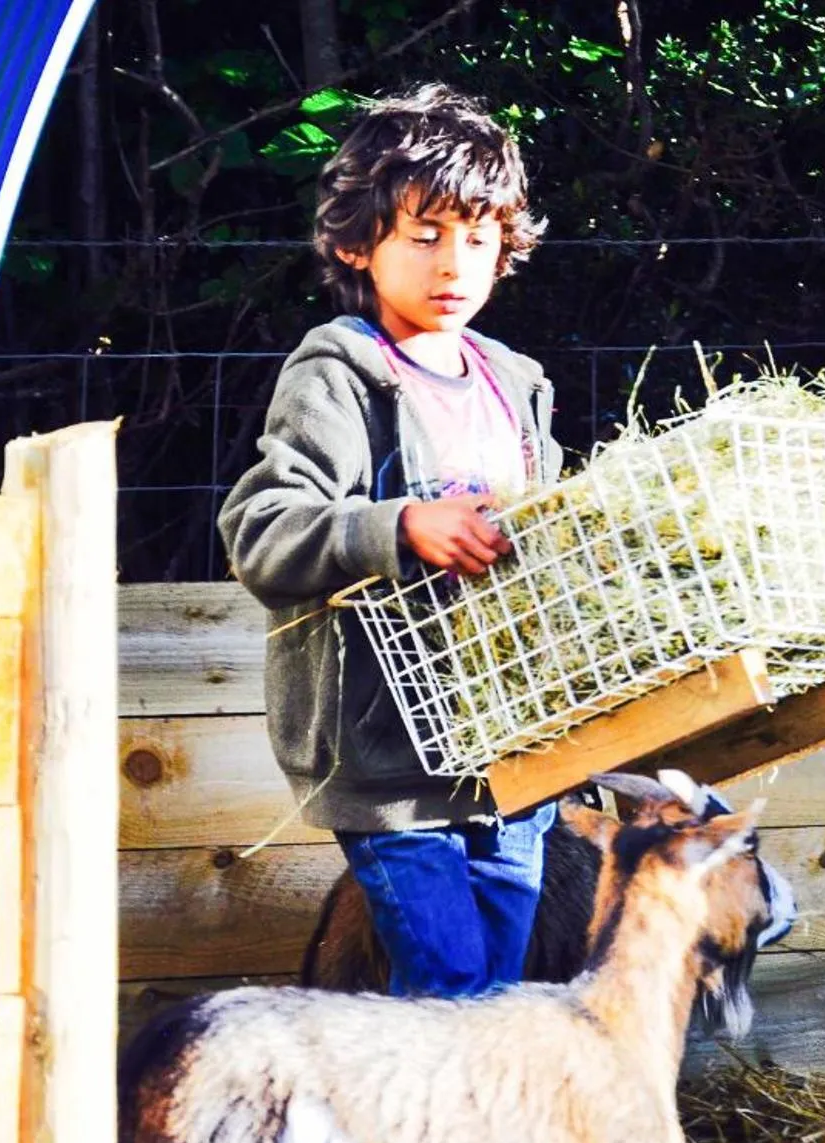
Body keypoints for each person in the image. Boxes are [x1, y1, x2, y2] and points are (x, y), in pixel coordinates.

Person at [218, 83, 560, 999]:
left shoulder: (516, 383)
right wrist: (400, 524)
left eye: (479, 239)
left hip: (507, 750)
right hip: (386, 758)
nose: (456, 263)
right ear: (355, 243)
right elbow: (260, 529)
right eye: (426, 235)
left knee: (495, 995)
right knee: (446, 986)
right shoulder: (341, 371)